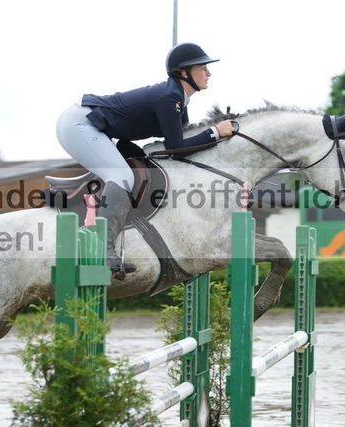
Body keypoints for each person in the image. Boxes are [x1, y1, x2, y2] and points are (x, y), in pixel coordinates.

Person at [56, 42, 235, 274]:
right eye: (203, 68)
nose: (209, 73)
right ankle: (102, 249)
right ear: (183, 73)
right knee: (121, 177)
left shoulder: (178, 99)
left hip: (91, 125)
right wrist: (215, 132)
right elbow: (176, 147)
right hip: (79, 124)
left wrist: (215, 134)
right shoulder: (170, 97)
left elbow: (182, 146)